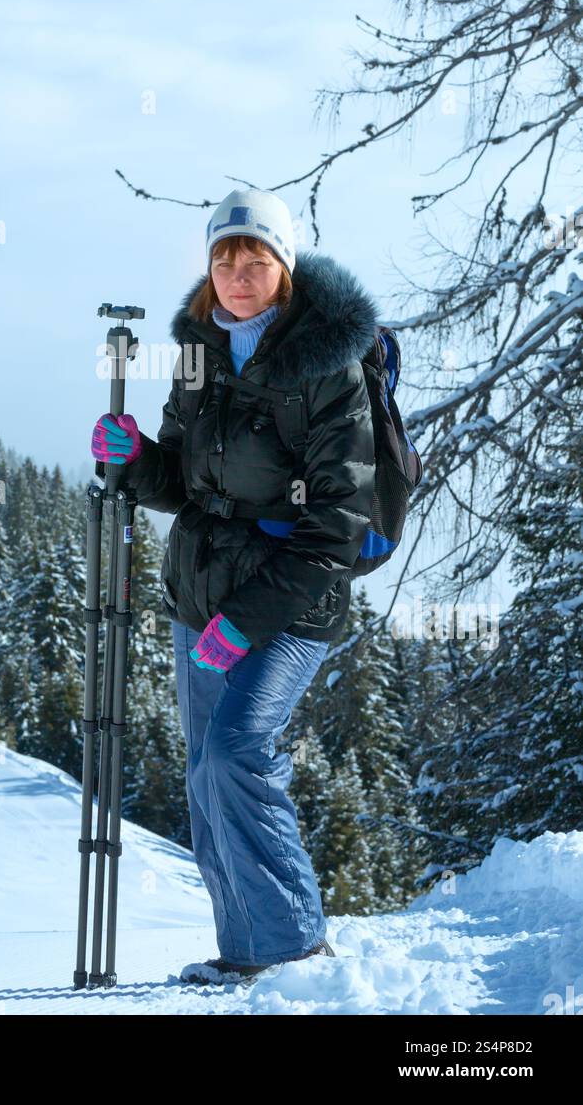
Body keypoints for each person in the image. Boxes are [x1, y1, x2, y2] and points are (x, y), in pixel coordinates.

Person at [90, 188, 379, 985]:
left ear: (283, 268)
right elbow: (185, 479)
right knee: (204, 769)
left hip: (291, 600)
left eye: (256, 258)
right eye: (224, 258)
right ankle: (246, 948)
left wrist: (247, 622)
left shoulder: (328, 364)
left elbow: (339, 526)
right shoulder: (198, 350)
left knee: (236, 752)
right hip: (202, 591)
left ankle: (289, 947)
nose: (239, 273)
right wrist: (132, 458)